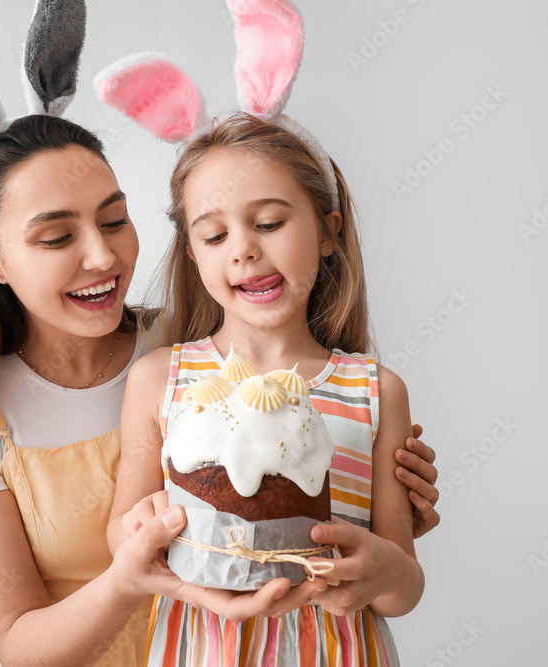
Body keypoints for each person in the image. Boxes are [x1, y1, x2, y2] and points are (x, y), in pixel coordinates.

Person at [0, 7, 441, 667]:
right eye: (57, 237)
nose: (101, 257)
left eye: (115, 219)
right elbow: (25, 638)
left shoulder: (187, 348)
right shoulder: (124, 385)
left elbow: (389, 555)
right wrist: (136, 558)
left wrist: (387, 524)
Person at [108, 107, 427, 663]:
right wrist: (139, 528)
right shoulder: (162, 380)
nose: (243, 249)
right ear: (194, 255)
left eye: (270, 223)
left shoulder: (375, 392)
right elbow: (121, 530)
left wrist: (383, 571)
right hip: (201, 647)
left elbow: (404, 588)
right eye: (213, 235)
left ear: (330, 231)